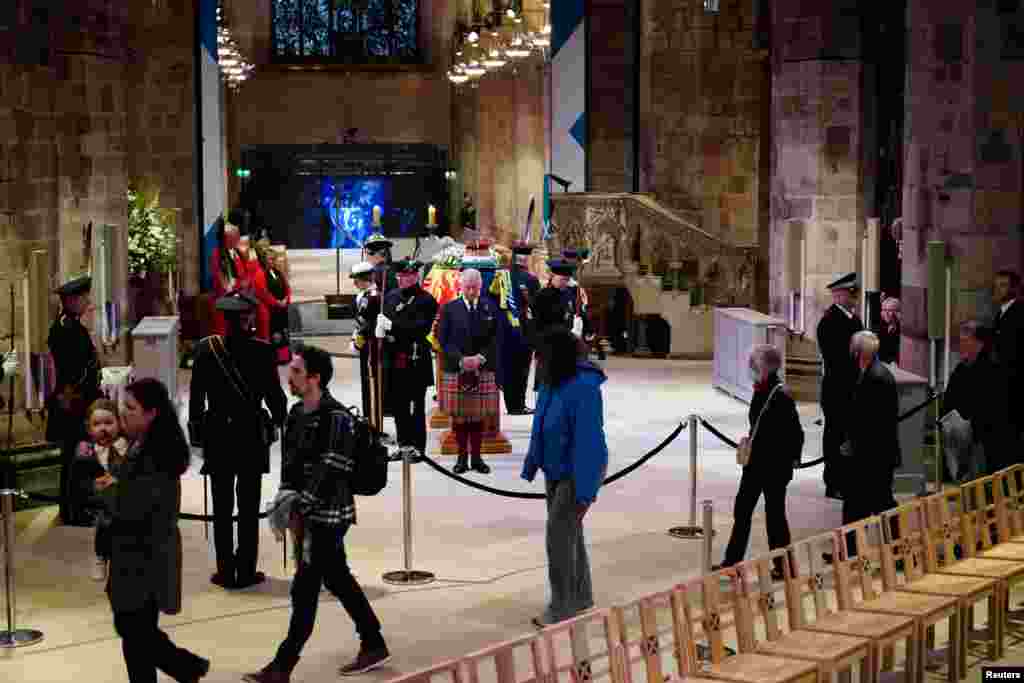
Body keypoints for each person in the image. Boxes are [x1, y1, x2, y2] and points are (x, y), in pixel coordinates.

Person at [245, 345, 390, 682]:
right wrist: (285, 497)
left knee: (305, 589)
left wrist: (300, 503)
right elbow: (290, 463)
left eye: (296, 371)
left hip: (329, 516)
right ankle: (373, 641)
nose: (288, 376)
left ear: (315, 378)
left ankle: (283, 665)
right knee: (337, 577)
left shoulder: (336, 418)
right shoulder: (296, 414)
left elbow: (333, 466)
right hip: (304, 514)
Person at [107, 377, 210, 683]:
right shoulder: (140, 445)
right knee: (134, 633)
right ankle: (183, 667)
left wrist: (108, 492)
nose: (124, 414)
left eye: (131, 408)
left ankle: (185, 666)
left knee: (134, 630)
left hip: (145, 557)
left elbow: (134, 508)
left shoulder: (157, 455)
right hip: (132, 555)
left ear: (151, 413)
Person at [188, 292, 288, 589]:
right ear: (248, 318)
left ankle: (224, 569)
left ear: (224, 319)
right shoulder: (263, 351)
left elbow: (196, 400)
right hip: (250, 435)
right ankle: (246, 569)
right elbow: (275, 397)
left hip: (218, 434)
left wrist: (197, 436)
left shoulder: (206, 349)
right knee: (247, 505)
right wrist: (282, 423)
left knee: (221, 507)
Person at [522, 326, 609, 628]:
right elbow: (540, 426)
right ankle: (581, 595)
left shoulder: (584, 387)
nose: (536, 361)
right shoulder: (550, 382)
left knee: (557, 535)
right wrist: (533, 462)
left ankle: (562, 604)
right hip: (555, 467)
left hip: (579, 470)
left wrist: (585, 490)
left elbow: (589, 442)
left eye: (541, 356)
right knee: (571, 533)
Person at [714, 345, 803, 577]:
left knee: (775, 519)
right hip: (755, 465)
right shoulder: (761, 389)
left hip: (774, 468)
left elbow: (796, 433)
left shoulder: (780, 394)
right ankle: (732, 562)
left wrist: (793, 459)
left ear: (764, 367)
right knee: (742, 510)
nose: (750, 370)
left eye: (754, 366)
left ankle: (785, 568)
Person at [47, 274, 103, 525]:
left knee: (77, 455)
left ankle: (75, 508)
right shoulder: (67, 329)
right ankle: (75, 511)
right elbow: (72, 371)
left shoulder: (70, 326)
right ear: (70, 301)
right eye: (83, 298)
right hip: (74, 403)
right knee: (75, 457)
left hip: (77, 401)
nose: (87, 302)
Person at [438, 268, 499, 475]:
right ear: (460, 287)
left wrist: (480, 358)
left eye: (476, 287)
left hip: (483, 367)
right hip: (457, 368)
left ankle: (477, 458)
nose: (472, 291)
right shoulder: (449, 309)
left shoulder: (490, 307)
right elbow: (443, 340)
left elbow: (495, 338)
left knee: (479, 417)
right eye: (468, 287)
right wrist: (462, 360)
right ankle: (462, 457)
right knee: (460, 418)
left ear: (481, 286)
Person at [377, 258, 438, 461]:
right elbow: (387, 321)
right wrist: (380, 331)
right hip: (395, 359)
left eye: (409, 276)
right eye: (401, 276)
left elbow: (419, 329)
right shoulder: (391, 296)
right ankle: (403, 445)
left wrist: (392, 327)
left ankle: (417, 448)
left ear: (416, 276)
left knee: (416, 407)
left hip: (415, 359)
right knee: (398, 406)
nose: (404, 279)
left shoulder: (426, 301)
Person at [841, 331, 900, 527]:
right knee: (861, 506)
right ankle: (850, 551)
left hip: (873, 456)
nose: (850, 350)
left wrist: (853, 445)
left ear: (860, 352)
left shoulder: (877, 378)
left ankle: (897, 552)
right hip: (870, 454)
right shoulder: (869, 373)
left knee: (877, 505)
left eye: (853, 347)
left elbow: (874, 422)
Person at [942, 321, 1013, 478]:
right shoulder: (961, 369)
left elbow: (996, 409)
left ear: (979, 342)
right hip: (959, 440)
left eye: (964, 341)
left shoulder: (994, 370)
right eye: (959, 341)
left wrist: (968, 425)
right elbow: (949, 402)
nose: (960, 346)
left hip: (982, 442)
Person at [816, 272, 864, 500]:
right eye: (849, 293)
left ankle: (849, 478)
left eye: (854, 292)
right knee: (835, 436)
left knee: (849, 435)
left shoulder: (854, 320)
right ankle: (833, 482)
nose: (854, 297)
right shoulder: (829, 322)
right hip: (837, 389)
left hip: (853, 388)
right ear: (837, 295)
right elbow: (836, 359)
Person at [71, 399, 130, 581]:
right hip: (103, 503)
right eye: (97, 424)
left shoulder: (127, 446)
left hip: (126, 502)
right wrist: (92, 486)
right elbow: (78, 481)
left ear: (119, 423)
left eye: (108, 423)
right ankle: (100, 558)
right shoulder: (86, 452)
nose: (103, 428)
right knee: (104, 526)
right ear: (89, 428)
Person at [502, 241, 541, 415]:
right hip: (524, 329)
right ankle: (518, 405)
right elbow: (537, 306)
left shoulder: (503, 276)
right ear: (526, 259)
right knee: (522, 369)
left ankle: (511, 404)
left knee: (509, 367)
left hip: (505, 328)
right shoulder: (531, 279)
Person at [993, 270, 1023, 444]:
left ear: (1015, 288)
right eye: (996, 285)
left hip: (1012, 387)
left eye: (1003, 285)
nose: (997, 289)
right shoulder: (1001, 312)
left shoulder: (1018, 313)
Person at [350, 261, 380, 419]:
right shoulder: (363, 295)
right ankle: (369, 416)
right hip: (364, 342)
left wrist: (357, 341)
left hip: (371, 345)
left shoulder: (374, 297)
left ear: (366, 279)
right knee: (366, 383)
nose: (354, 282)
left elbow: (368, 324)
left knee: (371, 383)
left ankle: (374, 421)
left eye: (357, 279)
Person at [209, 220, 246, 336]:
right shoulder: (217, 254)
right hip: (223, 302)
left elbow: (245, 273)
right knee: (223, 335)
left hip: (240, 300)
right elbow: (221, 282)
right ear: (227, 238)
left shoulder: (238, 252)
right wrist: (236, 286)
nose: (239, 239)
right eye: (236, 237)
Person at [265, 248, 293, 365]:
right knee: (276, 334)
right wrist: (277, 302)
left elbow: (287, 287)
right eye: (270, 259)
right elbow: (265, 292)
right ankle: (277, 358)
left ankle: (285, 356)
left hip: (283, 307)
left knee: (284, 332)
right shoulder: (264, 274)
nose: (272, 261)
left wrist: (287, 298)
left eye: (274, 259)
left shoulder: (278, 272)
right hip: (274, 309)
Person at [877, 295, 901, 365]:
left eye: (889, 310)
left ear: (898, 313)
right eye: (884, 310)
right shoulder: (881, 328)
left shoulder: (902, 329)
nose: (885, 313)